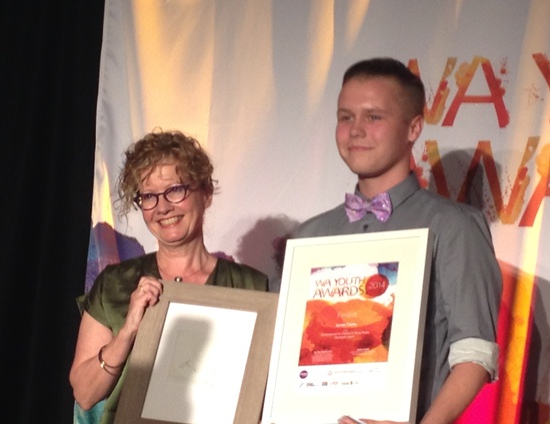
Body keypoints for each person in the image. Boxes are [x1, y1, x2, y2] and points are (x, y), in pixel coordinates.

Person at [291, 58, 501, 424]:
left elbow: (475, 352)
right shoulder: (309, 237)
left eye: (374, 117)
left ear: (413, 128)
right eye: (345, 117)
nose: (355, 130)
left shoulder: (454, 227)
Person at [69, 130, 268, 424]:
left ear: (206, 193)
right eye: (149, 196)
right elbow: (84, 395)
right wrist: (128, 332)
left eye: (175, 190)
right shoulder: (115, 284)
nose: (162, 207)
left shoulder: (250, 287)